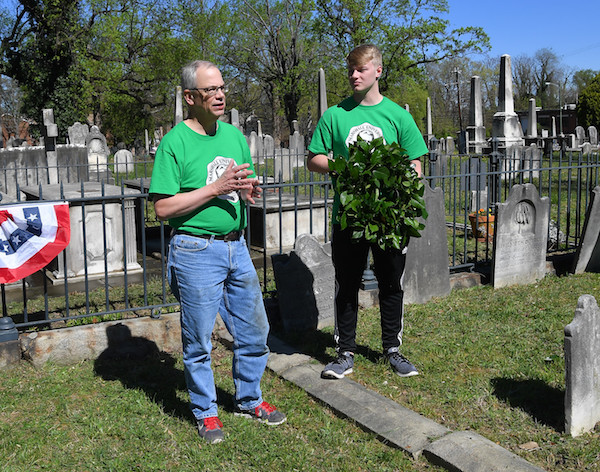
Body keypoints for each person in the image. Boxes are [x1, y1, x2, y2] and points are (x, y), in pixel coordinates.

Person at [149, 60, 286, 444]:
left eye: (222, 87)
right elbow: (161, 208)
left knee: (255, 331)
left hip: (236, 247)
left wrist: (247, 193)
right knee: (199, 340)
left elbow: (238, 185)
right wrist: (215, 188)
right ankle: (206, 412)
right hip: (194, 250)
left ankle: (249, 398)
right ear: (190, 97)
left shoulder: (234, 136)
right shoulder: (175, 142)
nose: (220, 94)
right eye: (210, 90)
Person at [307, 44, 428, 380]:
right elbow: (314, 158)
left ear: (378, 70)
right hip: (351, 216)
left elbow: (416, 161)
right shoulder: (335, 115)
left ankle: (393, 349)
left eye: (360, 69)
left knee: (391, 282)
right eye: (350, 70)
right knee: (347, 283)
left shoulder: (398, 116)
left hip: (389, 217)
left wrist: (405, 179)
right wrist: (347, 167)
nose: (353, 75)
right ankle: (344, 352)